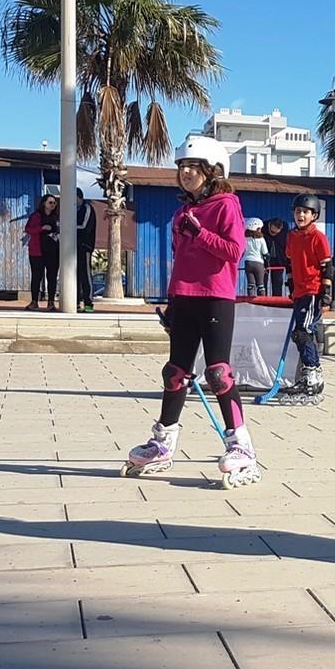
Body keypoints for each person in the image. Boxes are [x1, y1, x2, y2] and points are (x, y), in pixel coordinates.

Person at [125, 135, 261, 488]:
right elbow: (180, 260)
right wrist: (172, 303)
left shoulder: (226, 205)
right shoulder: (181, 211)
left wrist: (201, 235)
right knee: (175, 373)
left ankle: (241, 446)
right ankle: (163, 442)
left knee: (219, 374)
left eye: (193, 168)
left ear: (212, 171)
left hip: (215, 297)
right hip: (184, 296)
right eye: (182, 168)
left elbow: (234, 251)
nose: (185, 173)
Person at [284, 193, 333, 398]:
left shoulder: (317, 237)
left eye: (305, 212)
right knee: (300, 334)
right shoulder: (291, 237)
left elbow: (327, 266)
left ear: (314, 215)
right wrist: (290, 284)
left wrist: (327, 292)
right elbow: (289, 263)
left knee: (303, 332)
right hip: (299, 291)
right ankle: (309, 374)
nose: (301, 215)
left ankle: (313, 374)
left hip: (313, 290)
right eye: (298, 212)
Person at [24, 194, 58, 310]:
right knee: (36, 276)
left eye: (54, 203)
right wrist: (41, 228)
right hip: (37, 251)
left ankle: (51, 302)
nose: (52, 205)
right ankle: (34, 301)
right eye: (50, 202)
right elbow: (28, 229)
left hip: (52, 252)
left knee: (52, 276)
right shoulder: (36, 216)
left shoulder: (56, 218)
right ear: (44, 203)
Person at [76, 188, 97, 312]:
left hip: (84, 246)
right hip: (72, 247)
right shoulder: (72, 210)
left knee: (85, 274)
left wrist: (69, 227)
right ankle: (76, 301)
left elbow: (84, 226)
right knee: (74, 274)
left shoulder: (87, 208)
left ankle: (88, 302)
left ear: (79, 197)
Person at [263, 218, 289, 296]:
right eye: (272, 232)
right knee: (263, 282)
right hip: (265, 260)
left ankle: (277, 302)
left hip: (279, 260)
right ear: (269, 225)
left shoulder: (285, 230)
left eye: (277, 233)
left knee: (278, 282)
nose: (274, 234)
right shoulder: (263, 228)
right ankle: (262, 301)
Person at [243, 217, 268, 297]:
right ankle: (262, 302)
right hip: (259, 263)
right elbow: (265, 252)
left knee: (251, 285)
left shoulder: (245, 239)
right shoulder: (261, 239)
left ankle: (250, 302)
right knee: (261, 285)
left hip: (248, 262)